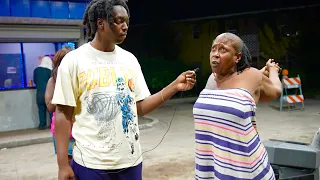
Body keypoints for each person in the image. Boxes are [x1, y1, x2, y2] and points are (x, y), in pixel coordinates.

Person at [51, 0, 196, 179]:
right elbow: (63, 114)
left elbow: (139, 107)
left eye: (127, 21)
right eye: (119, 21)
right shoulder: (74, 61)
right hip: (90, 164)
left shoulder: (129, 60)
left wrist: (174, 86)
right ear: (101, 23)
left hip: (131, 163)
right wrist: (63, 165)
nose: (125, 26)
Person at [193, 32, 282, 179]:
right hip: (212, 171)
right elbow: (236, 86)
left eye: (223, 50)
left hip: (248, 171)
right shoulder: (211, 79)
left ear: (238, 57)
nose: (215, 54)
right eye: (213, 49)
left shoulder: (252, 75)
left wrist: (272, 70)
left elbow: (275, 90)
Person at [45, 49, 74, 165]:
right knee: (67, 165)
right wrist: (61, 90)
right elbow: (50, 107)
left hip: (81, 129)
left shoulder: (79, 78)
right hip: (63, 131)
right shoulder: (52, 81)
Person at [33, 56, 53, 130]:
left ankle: (42, 125)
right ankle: (51, 125)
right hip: (49, 94)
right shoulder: (50, 71)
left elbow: (35, 81)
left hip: (39, 93)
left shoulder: (36, 70)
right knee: (51, 110)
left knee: (41, 110)